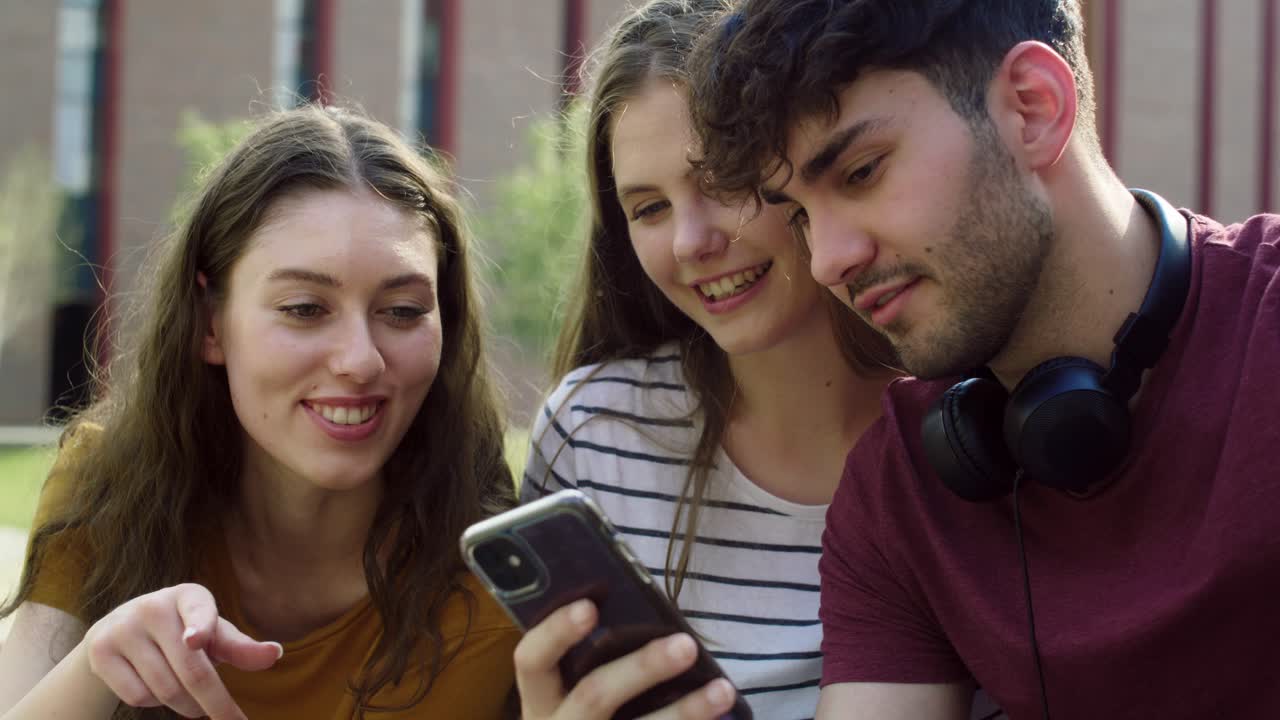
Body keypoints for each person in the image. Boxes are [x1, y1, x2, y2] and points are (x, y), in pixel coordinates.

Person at [685, 0, 1280, 718]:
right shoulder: (902, 486)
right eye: (803, 216)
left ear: (1033, 109)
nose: (828, 262)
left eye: (862, 171)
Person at [0, 104, 521, 719]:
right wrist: (97, 662)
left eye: (403, 311)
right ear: (210, 323)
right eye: (304, 308)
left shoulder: (489, 580)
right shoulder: (106, 488)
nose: (360, 361)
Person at [508, 2, 913, 718]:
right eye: (648, 208)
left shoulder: (965, 428)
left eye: (723, 180)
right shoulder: (594, 431)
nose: (691, 242)